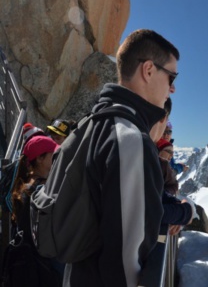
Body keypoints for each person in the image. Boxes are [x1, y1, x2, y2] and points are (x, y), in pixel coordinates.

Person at [63, 29, 178, 287]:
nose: (173, 87)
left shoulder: (93, 124)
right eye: (171, 75)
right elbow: (124, 261)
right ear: (149, 70)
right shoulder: (131, 140)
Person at [2, 135, 61, 286]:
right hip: (44, 262)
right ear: (40, 159)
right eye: (52, 155)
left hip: (29, 260)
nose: (56, 159)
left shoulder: (24, 187)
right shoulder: (41, 189)